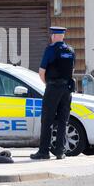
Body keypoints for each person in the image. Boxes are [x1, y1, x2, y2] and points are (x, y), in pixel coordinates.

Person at [31, 27, 76, 161]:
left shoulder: (50, 49)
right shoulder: (71, 50)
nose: (51, 36)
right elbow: (72, 70)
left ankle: (44, 152)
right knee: (63, 120)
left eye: (52, 34)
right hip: (67, 90)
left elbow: (41, 72)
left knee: (47, 119)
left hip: (53, 87)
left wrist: (48, 84)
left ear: (54, 36)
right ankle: (60, 152)